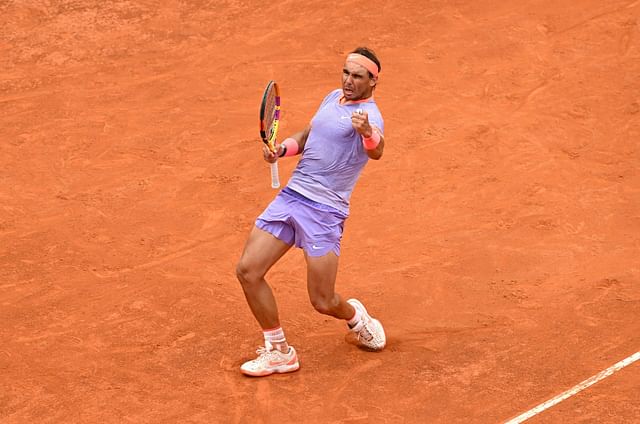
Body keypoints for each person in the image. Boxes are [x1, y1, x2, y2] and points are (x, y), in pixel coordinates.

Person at [236, 47, 386, 377]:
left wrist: (366, 133)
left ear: (373, 82)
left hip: (325, 212)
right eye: (346, 72)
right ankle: (279, 351)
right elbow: (308, 134)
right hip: (292, 197)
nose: (348, 81)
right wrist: (282, 149)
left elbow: (376, 150)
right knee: (248, 270)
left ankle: (356, 319)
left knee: (322, 301)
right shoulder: (333, 97)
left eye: (357, 76)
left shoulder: (370, 117)